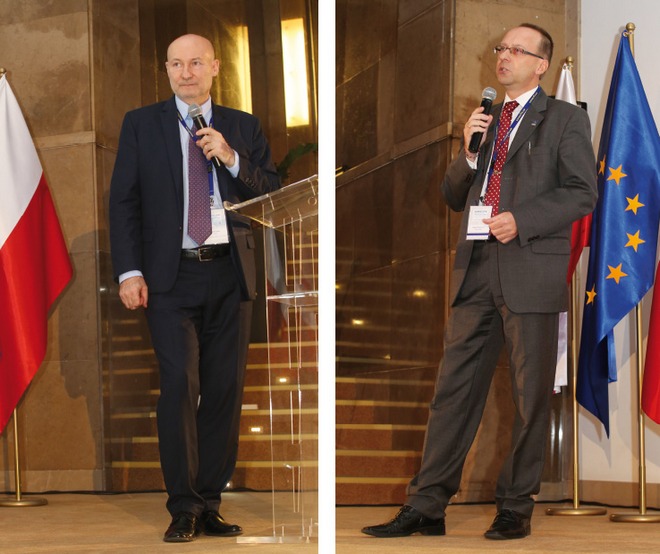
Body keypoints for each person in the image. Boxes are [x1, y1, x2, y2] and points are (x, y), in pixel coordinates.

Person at [362, 23, 597, 541]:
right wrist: (470, 153)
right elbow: (452, 195)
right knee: (452, 391)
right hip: (475, 269)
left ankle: (515, 506)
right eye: (501, 48)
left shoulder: (564, 119)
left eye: (517, 50)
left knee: (529, 397)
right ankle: (427, 504)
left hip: (529, 266)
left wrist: (523, 219)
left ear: (541, 65)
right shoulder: (485, 119)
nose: (504, 55)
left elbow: (583, 191)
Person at [109, 34, 280, 542]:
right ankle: (182, 505)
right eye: (176, 64)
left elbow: (271, 192)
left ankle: (209, 502)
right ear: (166, 70)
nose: (186, 72)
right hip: (169, 277)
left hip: (230, 274)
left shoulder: (243, 126)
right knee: (181, 385)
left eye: (196, 63)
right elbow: (124, 202)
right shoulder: (141, 124)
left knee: (224, 391)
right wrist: (129, 271)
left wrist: (229, 156)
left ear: (215, 67)